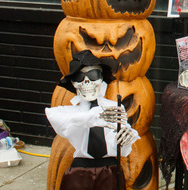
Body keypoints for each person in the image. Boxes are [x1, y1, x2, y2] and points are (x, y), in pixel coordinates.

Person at [45, 51, 139, 190]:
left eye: (93, 75)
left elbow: (123, 150)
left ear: (101, 79)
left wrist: (127, 137)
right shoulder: (69, 113)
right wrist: (95, 116)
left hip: (109, 170)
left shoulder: (114, 109)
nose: (86, 81)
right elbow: (62, 122)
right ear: (73, 83)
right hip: (80, 172)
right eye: (79, 77)